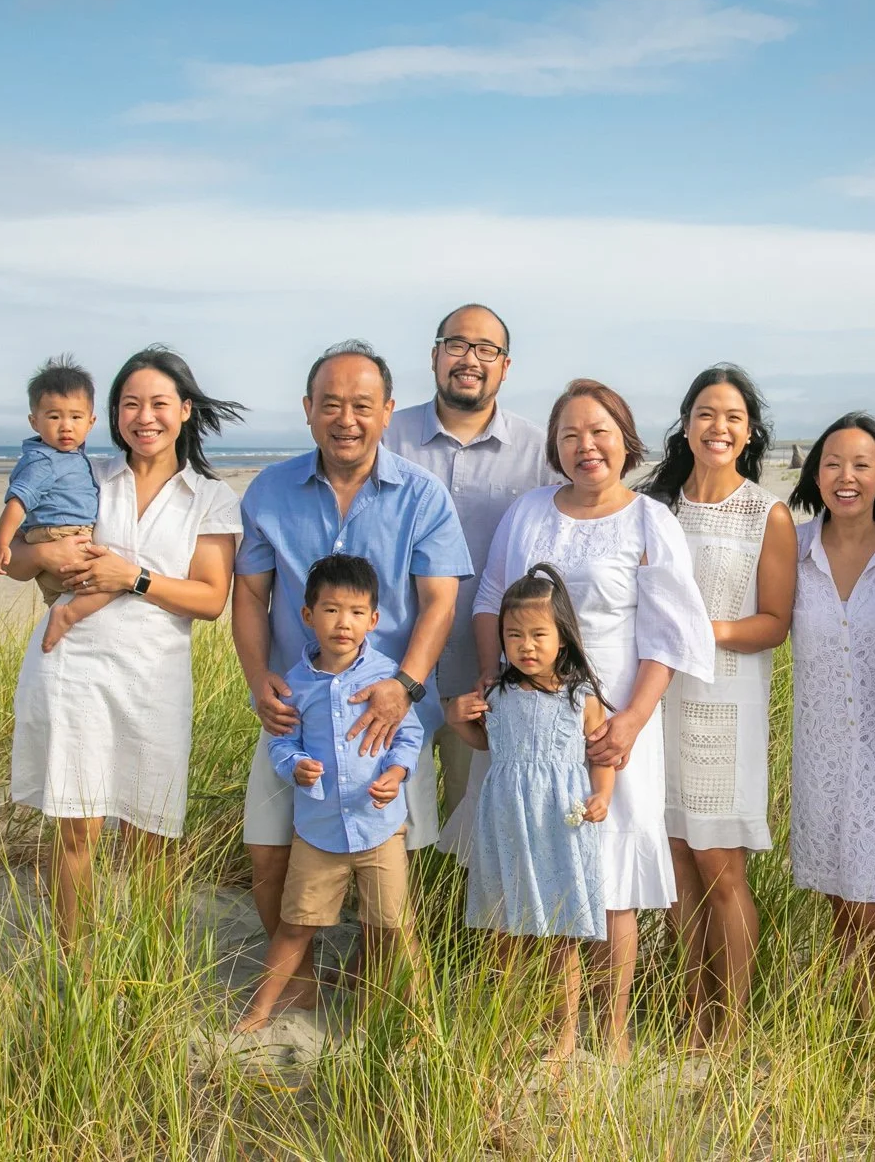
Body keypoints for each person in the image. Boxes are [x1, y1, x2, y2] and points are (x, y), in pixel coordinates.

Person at [471, 379, 714, 1062]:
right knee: (540, 863)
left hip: (615, 722)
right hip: (529, 717)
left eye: (600, 431)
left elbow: (669, 632)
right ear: (555, 446)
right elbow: (491, 598)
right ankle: (550, 1030)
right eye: (571, 434)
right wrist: (494, 680)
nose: (586, 446)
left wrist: (633, 718)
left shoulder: (648, 520)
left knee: (613, 874)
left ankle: (612, 1035)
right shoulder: (527, 512)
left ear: (624, 438)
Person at [234, 340, 472, 1012]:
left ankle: (375, 992)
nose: (346, 418)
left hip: (384, 712)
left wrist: (406, 685)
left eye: (362, 405)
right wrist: (259, 679)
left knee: (383, 865)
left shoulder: (422, 494)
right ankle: (301, 979)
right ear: (308, 410)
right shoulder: (270, 490)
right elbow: (250, 595)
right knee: (269, 849)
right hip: (296, 709)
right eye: (330, 404)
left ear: (387, 411)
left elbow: (440, 601)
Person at [3, 346, 245, 947]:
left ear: (185, 410)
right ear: (111, 415)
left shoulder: (210, 498)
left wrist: (130, 577)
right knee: (75, 829)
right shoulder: (83, 473)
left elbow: (211, 598)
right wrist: (48, 556)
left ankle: (149, 966)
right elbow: (17, 562)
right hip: (73, 667)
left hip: (154, 677)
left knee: (152, 832)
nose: (145, 417)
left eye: (159, 403)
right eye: (129, 404)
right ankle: (75, 963)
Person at [637, 365, 794, 1048]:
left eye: (732, 416)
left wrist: (702, 631)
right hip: (655, 702)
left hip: (725, 704)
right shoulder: (654, 505)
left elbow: (774, 621)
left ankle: (728, 1027)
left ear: (749, 430)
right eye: (706, 413)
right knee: (674, 862)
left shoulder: (768, 512)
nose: (718, 426)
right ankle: (688, 1008)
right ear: (686, 422)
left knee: (722, 869)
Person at [237, 555, 428, 1032]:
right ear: (308, 616)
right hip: (319, 831)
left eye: (357, 612)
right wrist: (294, 766)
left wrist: (397, 773)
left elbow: (408, 735)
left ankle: (421, 1018)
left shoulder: (386, 679)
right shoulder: (295, 683)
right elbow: (283, 741)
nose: (344, 623)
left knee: (395, 929)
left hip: (378, 827)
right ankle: (260, 1009)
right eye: (331, 610)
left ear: (374, 620)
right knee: (296, 923)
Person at [383, 303, 555, 830]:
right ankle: (392, 917)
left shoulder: (540, 450)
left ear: (506, 366)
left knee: (479, 825)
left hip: (490, 672)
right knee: (385, 818)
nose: (470, 359)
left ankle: (459, 917)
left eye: (487, 350)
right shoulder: (386, 435)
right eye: (457, 345)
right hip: (391, 664)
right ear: (435, 355)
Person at [787, 411, 875, 1031]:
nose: (845, 477)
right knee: (839, 902)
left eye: (861, 465)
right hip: (819, 749)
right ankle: (874, 1034)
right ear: (815, 475)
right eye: (832, 464)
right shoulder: (792, 549)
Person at [444, 564, 613, 1062]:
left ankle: (564, 1040)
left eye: (539, 634)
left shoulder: (579, 697)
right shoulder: (496, 694)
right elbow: (484, 743)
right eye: (513, 635)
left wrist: (601, 794)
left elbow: (599, 754)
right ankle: (507, 1026)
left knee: (561, 940)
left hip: (560, 824)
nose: (526, 645)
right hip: (507, 823)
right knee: (505, 935)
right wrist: (458, 721)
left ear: (562, 637)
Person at [0, 356, 108, 652]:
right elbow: (17, 502)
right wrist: (1, 545)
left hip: (64, 534)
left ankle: (62, 621)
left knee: (65, 596)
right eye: (54, 417)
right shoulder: (43, 461)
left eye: (76, 418)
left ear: (91, 422)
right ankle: (66, 616)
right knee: (114, 581)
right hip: (59, 535)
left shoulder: (72, 457)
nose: (66, 427)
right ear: (34, 421)